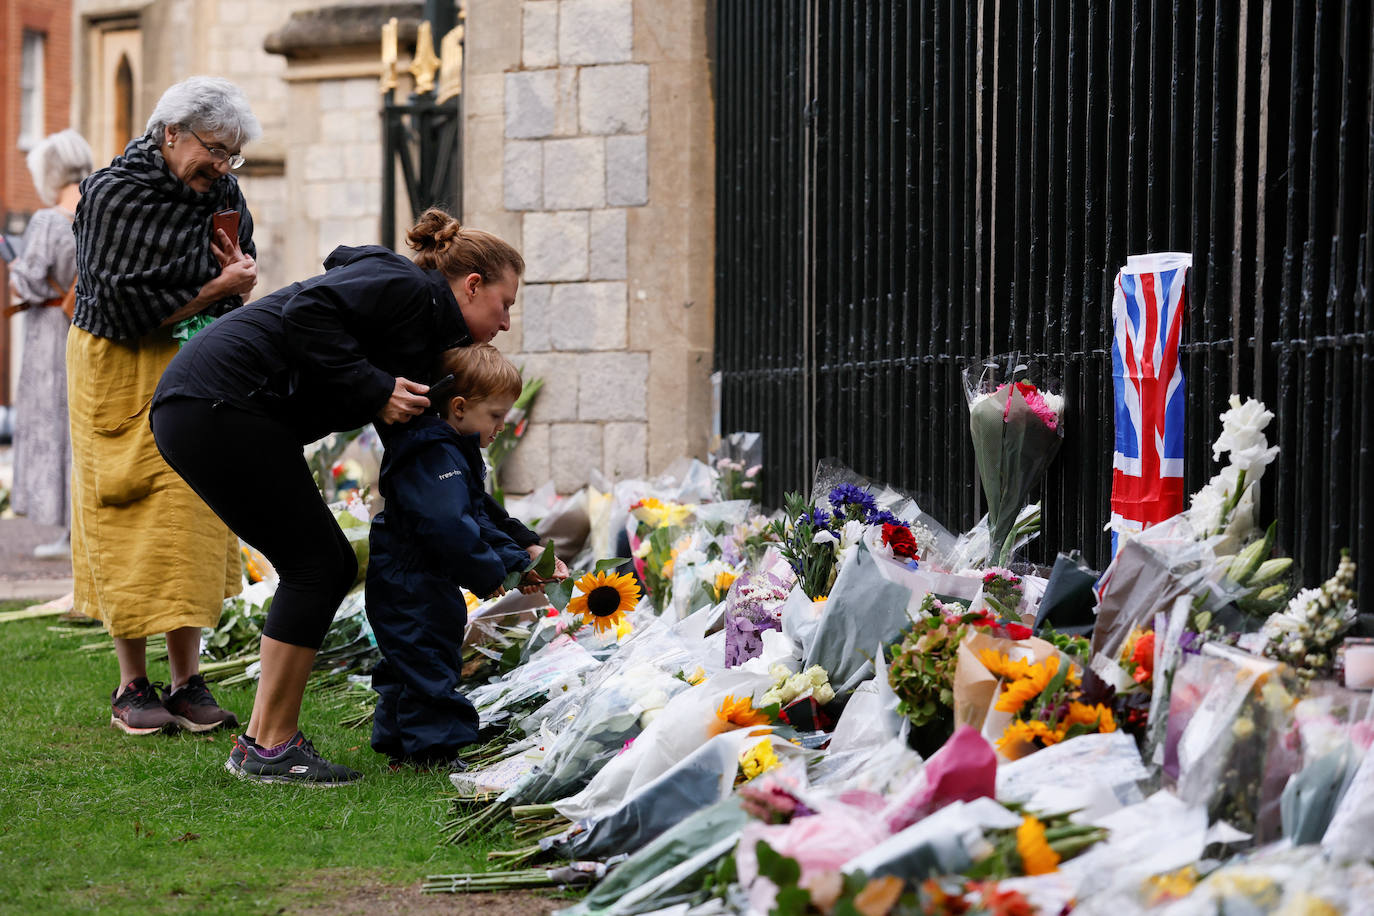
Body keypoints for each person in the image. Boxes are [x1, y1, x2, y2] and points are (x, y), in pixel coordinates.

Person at [151, 207, 567, 786]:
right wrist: (375, 388)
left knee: (319, 563)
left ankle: (266, 742)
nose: (504, 323)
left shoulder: (424, 347)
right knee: (319, 564)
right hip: (217, 402)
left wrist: (521, 543)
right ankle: (268, 746)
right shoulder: (407, 288)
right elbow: (305, 311)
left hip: (215, 409)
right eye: (505, 304)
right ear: (472, 286)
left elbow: (438, 463)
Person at [71, 76, 260, 736]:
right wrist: (220, 287)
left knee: (193, 513)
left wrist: (238, 279)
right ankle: (132, 686)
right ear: (171, 132)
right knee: (125, 513)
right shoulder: (112, 193)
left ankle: (187, 682)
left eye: (233, 155)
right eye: (215, 149)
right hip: (117, 364)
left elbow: (240, 265)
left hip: (192, 362)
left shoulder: (223, 193)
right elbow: (121, 309)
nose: (223, 166)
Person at [366, 344, 539, 768]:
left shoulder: (450, 449)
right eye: (496, 416)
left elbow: (479, 514)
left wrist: (520, 555)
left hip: (416, 577)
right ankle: (434, 751)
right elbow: (448, 525)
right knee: (429, 659)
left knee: (410, 659)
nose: (501, 426)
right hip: (409, 580)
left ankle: (401, 743)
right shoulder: (433, 454)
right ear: (459, 407)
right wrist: (487, 570)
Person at [6, 130, 93, 558]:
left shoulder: (46, 221)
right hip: (88, 331)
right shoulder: (94, 215)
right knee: (79, 430)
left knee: (54, 427)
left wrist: (16, 266)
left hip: (50, 338)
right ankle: (81, 525)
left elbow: (29, 279)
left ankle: (69, 531)